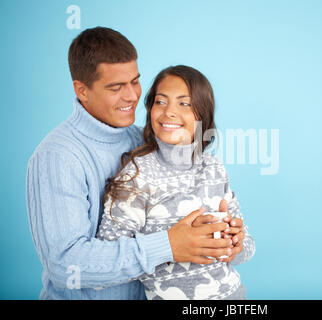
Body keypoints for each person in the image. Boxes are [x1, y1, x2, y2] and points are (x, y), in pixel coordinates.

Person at [25, 27, 235, 300]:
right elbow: (65, 265)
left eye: (135, 82)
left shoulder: (146, 140)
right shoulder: (57, 157)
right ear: (82, 90)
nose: (132, 96)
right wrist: (168, 246)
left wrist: (227, 237)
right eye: (116, 87)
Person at [96, 65, 255, 300]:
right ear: (150, 109)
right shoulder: (136, 176)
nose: (169, 112)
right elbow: (107, 263)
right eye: (160, 102)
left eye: (184, 103)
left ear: (202, 114)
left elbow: (246, 250)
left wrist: (237, 242)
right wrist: (169, 245)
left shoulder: (213, 168)